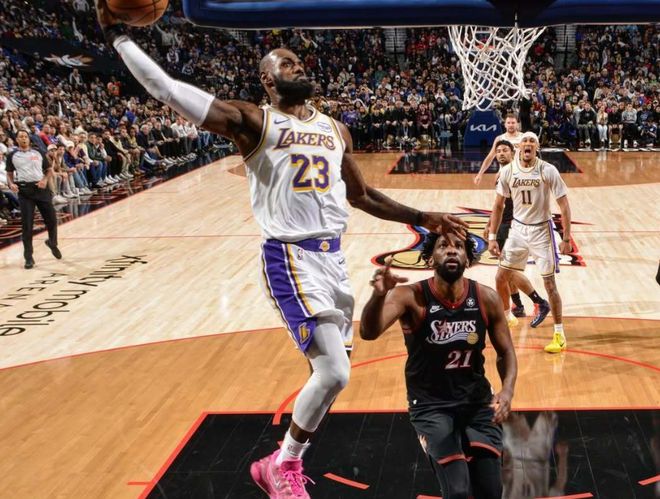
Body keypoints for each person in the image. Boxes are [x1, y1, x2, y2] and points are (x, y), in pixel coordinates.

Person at [94, 3, 469, 498]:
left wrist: (423, 217)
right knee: (333, 372)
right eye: (286, 63)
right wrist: (119, 38)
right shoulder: (252, 120)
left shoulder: (335, 129)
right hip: (289, 256)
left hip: (333, 261)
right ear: (267, 80)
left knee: (331, 378)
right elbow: (167, 89)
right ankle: (284, 464)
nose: (298, 67)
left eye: (299, 61)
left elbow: (361, 196)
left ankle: (279, 464)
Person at [360, 231, 517, 499]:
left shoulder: (486, 298)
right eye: (443, 246)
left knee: (491, 491)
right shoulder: (409, 296)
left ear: (468, 259)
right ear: (431, 258)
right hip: (431, 405)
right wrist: (378, 296)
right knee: (457, 491)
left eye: (459, 246)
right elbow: (368, 332)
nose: (452, 250)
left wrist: (507, 391)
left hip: (477, 402)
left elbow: (506, 352)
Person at [487, 131, 572, 353]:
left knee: (550, 284)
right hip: (517, 229)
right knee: (500, 277)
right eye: (524, 140)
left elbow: (564, 205)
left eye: (532, 141)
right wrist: (492, 236)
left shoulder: (548, 170)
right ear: (519, 147)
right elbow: (498, 205)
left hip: (542, 231)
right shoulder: (508, 171)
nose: (528, 144)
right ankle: (507, 317)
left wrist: (566, 237)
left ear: (537, 147)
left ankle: (559, 334)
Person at [483, 140, 550, 328]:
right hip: (505, 225)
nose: (501, 153)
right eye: (498, 151)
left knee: (506, 272)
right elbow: (498, 205)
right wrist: (490, 224)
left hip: (514, 226)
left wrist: (495, 229)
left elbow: (505, 206)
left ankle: (537, 302)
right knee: (506, 271)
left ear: (513, 153)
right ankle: (518, 306)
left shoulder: (516, 172)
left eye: (505, 150)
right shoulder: (502, 173)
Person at [5, 129, 62, 268]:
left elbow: (49, 170)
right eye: (20, 136)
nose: (23, 138)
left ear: (29, 139)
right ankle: (28, 257)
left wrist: (44, 180)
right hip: (25, 191)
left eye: (25, 136)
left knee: (52, 220)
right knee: (27, 225)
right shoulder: (12, 155)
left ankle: (52, 243)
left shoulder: (38, 152)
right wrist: (11, 183)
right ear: (17, 139)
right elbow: (9, 173)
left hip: (41, 189)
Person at [474, 114, 523, 185]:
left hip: (520, 174)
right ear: (505, 124)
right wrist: (480, 174)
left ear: (517, 124)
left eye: (513, 123)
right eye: (508, 123)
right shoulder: (499, 139)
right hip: (503, 174)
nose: (511, 125)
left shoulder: (524, 137)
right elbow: (490, 157)